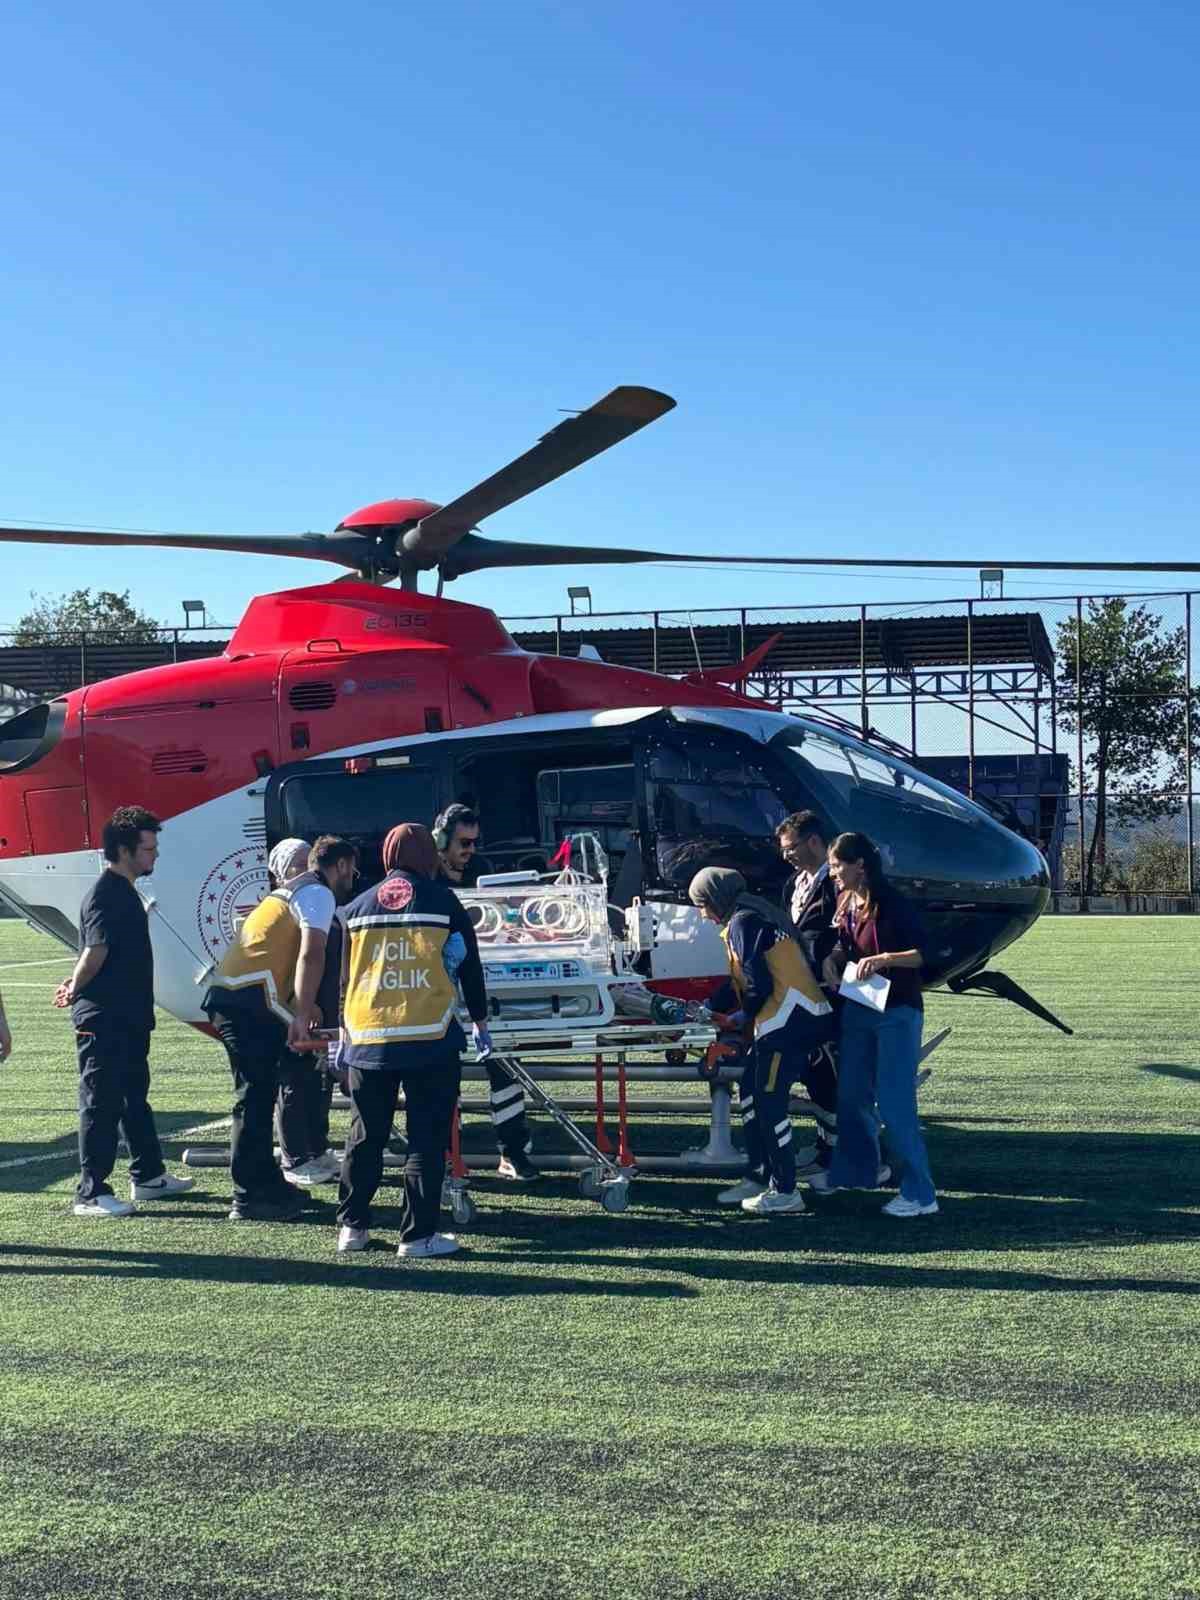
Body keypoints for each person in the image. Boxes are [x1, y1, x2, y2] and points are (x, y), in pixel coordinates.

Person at [337, 823, 491, 1258]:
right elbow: (470, 967)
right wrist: (480, 1021)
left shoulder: (356, 907)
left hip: (368, 1034)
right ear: (428, 856)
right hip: (430, 1035)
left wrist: (343, 1028)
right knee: (426, 1137)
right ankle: (417, 1236)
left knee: (365, 1135)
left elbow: (343, 976)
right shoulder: (444, 902)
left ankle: (352, 1228)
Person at [203, 833, 358, 1222]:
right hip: (246, 1003)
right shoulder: (317, 893)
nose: (353, 878)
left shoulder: (291, 891)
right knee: (254, 1099)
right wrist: (304, 1012)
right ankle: (247, 1196)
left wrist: (301, 1008)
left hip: (241, 999)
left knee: (261, 1095)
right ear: (340, 865)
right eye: (352, 871)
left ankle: (267, 1183)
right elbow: (311, 952)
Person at [53, 806, 194, 1218]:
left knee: (134, 1098)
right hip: (104, 1019)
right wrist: (74, 987)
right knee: (101, 1103)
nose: (155, 854)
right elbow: (95, 951)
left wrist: (75, 982)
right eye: (148, 848)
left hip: (128, 1019)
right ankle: (91, 1193)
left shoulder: (124, 891)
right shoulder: (106, 894)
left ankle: (148, 1176)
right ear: (123, 850)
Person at [688, 866, 834, 1216]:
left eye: (702, 905)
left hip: (787, 1025)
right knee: (751, 1093)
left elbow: (759, 985)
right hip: (788, 1022)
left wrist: (740, 1017)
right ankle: (760, 1175)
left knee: (769, 1105)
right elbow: (740, 981)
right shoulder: (748, 918)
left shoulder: (744, 922)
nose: (702, 914)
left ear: (718, 898)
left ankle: (785, 1190)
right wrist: (710, 1005)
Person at [813, 831, 938, 1218]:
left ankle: (921, 1194)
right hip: (860, 1007)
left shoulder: (892, 902)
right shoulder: (845, 900)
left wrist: (885, 959)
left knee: (895, 1102)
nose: (833, 873)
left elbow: (925, 954)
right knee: (851, 1097)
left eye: (837, 866)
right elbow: (844, 944)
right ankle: (855, 1173)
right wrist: (833, 960)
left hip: (897, 1011)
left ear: (860, 865)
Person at [434, 802, 538, 1182]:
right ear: (441, 840)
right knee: (441, 1077)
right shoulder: (425, 875)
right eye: (463, 842)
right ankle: (445, 1154)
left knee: (505, 1067)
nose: (470, 850)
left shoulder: (482, 870)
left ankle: (512, 1152)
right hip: (436, 990)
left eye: (474, 842)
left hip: (485, 984)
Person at [270, 837, 355, 1190]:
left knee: (318, 1081)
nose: (303, 871)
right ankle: (295, 1157)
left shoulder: (320, 898)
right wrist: (303, 1006)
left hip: (319, 1007)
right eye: (297, 864)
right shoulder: (300, 899)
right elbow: (301, 957)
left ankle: (316, 1149)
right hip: (294, 1007)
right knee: (295, 1079)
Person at [775, 811, 841, 1171]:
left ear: (814, 841)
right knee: (817, 1072)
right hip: (799, 992)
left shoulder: (837, 882)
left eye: (791, 848)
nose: (786, 855)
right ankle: (827, 1147)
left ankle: (846, 1154)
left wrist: (831, 961)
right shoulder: (793, 884)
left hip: (833, 992)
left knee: (835, 1072)